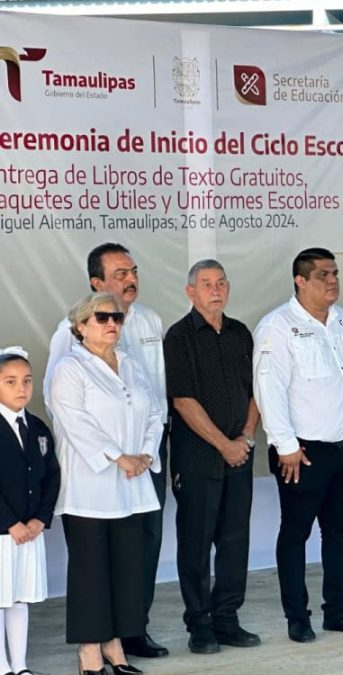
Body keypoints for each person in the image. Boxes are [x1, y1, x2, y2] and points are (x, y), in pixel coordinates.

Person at [44, 243, 169, 660]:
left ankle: (118, 644)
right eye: (103, 317)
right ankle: (90, 653)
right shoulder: (69, 363)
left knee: (127, 566)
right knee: (92, 572)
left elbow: (154, 408)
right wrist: (118, 456)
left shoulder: (130, 362)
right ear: (81, 325)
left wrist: (146, 454)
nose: (113, 322)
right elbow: (71, 417)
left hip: (134, 480)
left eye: (116, 317)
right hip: (93, 483)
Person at [253, 248, 343, 642]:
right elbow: (268, 389)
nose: (333, 281)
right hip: (304, 453)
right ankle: (298, 617)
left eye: (335, 273)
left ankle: (338, 611)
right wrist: (285, 445)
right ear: (300, 280)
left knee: (340, 532)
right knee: (296, 533)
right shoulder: (278, 326)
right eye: (324, 274)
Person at [163, 260, 261, 654]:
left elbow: (257, 390)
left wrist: (247, 436)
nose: (215, 290)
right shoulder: (179, 337)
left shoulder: (240, 333)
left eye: (221, 283)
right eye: (206, 284)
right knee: (196, 542)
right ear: (191, 292)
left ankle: (227, 618)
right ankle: (199, 623)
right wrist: (225, 444)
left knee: (236, 540)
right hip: (199, 458)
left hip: (241, 454)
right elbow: (183, 401)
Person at [0, 348, 59, 675]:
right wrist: (10, 523)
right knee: (0, 598)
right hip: (3, 532)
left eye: (26, 380)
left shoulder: (36, 427)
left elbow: (53, 475)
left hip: (30, 529)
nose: (21, 388)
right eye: (10, 381)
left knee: (19, 598)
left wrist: (39, 518)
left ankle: (20, 665)